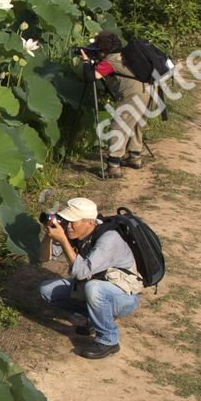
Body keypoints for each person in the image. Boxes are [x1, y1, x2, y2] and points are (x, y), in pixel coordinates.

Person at [38, 197, 143, 359]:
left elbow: (80, 272)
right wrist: (49, 235)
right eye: (67, 220)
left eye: (73, 222)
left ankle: (108, 340)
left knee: (93, 288)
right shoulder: (73, 231)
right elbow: (44, 258)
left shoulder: (108, 239)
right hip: (98, 287)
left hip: (124, 296)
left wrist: (64, 240)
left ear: (90, 222)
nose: (69, 226)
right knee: (46, 290)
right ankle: (95, 319)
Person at [80, 30, 150, 177]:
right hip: (148, 91)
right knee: (134, 123)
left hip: (133, 94)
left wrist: (86, 62)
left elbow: (91, 77)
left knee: (119, 126)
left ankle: (113, 166)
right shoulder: (125, 55)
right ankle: (134, 157)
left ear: (104, 50)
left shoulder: (110, 61)